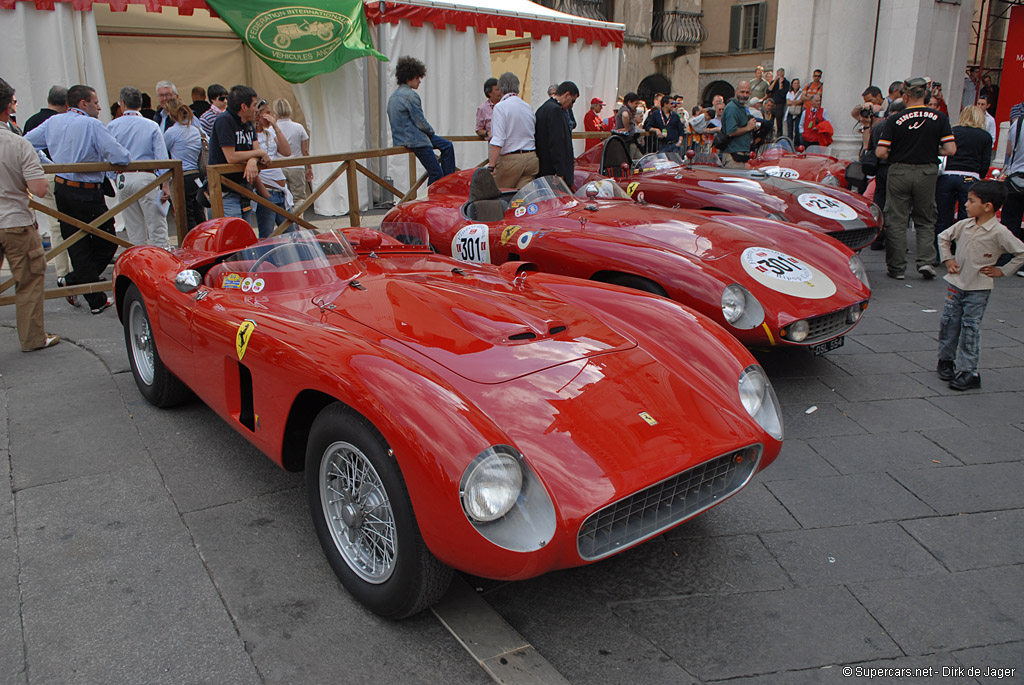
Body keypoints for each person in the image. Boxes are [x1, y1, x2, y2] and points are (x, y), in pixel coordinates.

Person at [25, 84, 129, 313]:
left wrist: (48, 165)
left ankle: (83, 289)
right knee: (107, 239)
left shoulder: (54, 121)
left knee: (77, 242)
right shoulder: (91, 124)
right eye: (95, 102)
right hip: (86, 190)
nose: (100, 107)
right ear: (83, 103)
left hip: (63, 188)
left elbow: (27, 142)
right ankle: (82, 286)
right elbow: (121, 155)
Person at [936, 181, 1024, 390]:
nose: (966, 204)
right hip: (956, 283)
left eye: (971, 201)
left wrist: (1003, 271)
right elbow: (943, 237)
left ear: (988, 206)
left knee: (970, 327)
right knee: (949, 322)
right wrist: (948, 259)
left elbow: (1020, 252)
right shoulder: (965, 224)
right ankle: (945, 360)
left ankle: (969, 371)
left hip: (978, 288)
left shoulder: (999, 231)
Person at [875, 77, 956, 280]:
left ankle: (897, 267)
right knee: (926, 217)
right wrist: (930, 149)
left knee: (896, 219)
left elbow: (881, 152)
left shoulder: (895, 119)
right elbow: (950, 149)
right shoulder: (939, 117)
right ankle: (926, 261)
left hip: (900, 171)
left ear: (906, 95)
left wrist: (899, 153)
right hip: (927, 172)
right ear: (925, 95)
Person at [0, 78, 59, 351]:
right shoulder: (17, 143)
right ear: (7, 108)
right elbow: (38, 186)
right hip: (15, 221)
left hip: (12, 219)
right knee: (29, 281)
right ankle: (33, 338)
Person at [107, 86, 171, 249]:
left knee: (134, 229)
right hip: (147, 176)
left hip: (123, 177)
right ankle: (161, 262)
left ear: (122, 103)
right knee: (157, 227)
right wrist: (165, 184)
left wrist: (114, 177)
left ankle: (138, 264)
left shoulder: (112, 126)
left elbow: (107, 155)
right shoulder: (150, 125)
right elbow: (162, 157)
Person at [23, 85, 71, 281]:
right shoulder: (64, 121)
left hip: (41, 176)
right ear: (67, 103)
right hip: (63, 175)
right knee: (74, 224)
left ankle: (62, 272)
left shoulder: (31, 121)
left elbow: (26, 147)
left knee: (55, 226)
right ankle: (79, 272)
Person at [386, 56, 456, 186]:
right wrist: (431, 132)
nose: (419, 81)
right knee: (436, 172)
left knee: (446, 147)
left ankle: (446, 183)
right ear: (408, 78)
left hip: (402, 138)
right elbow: (420, 121)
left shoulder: (393, 97)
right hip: (417, 140)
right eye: (417, 78)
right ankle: (442, 189)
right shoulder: (411, 95)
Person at [209, 84, 268, 225]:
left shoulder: (249, 124)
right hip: (225, 191)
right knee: (233, 237)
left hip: (244, 190)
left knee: (245, 236)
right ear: (243, 107)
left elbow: (256, 150)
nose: (256, 109)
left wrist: (253, 161)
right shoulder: (225, 120)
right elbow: (231, 157)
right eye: (254, 105)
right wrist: (257, 153)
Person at [935, 106, 991, 241]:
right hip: (970, 176)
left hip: (948, 174)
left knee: (943, 215)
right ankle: (960, 247)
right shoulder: (985, 136)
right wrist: (981, 175)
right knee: (966, 217)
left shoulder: (953, 131)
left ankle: (939, 249)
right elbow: (985, 161)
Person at [487, 72, 537, 190]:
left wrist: (491, 167)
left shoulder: (501, 107)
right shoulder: (527, 106)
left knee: (500, 195)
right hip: (531, 158)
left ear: (501, 88)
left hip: (511, 159)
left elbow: (498, 139)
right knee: (522, 199)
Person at [163, 98, 205, 230]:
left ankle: (190, 243)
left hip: (181, 175)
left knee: (186, 215)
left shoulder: (171, 132)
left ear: (171, 114)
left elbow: (162, 151)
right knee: (199, 212)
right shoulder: (196, 130)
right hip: (197, 175)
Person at [253, 101, 293, 238]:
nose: (271, 115)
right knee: (267, 234)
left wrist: (275, 126)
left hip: (281, 189)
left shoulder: (270, 132)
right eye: (267, 113)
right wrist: (264, 193)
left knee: (291, 232)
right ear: (258, 115)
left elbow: (286, 151)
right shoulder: (253, 135)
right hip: (266, 189)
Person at [535, 81, 578, 189]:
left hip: (544, 169)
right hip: (553, 173)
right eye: (573, 101)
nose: (571, 105)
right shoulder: (555, 111)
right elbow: (557, 143)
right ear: (567, 95)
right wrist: (560, 172)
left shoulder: (543, 108)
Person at [273, 98, 312, 203]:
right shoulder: (299, 127)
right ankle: (299, 218)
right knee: (299, 198)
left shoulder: (272, 129)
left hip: (279, 166)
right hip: (297, 166)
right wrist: (309, 167)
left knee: (283, 197)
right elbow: (305, 151)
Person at [721, 81, 757, 168]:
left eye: (747, 92)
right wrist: (748, 128)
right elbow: (731, 131)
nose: (744, 95)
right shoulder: (732, 108)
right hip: (733, 157)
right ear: (736, 91)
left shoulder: (741, 107)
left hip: (741, 156)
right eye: (742, 91)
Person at [767, 67, 789, 137]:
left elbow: (782, 94)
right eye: (778, 75)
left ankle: (779, 137)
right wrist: (775, 82)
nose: (780, 77)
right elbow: (768, 91)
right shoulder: (774, 82)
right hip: (772, 105)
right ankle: (769, 136)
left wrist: (780, 85)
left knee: (779, 123)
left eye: (781, 75)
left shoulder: (786, 83)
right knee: (769, 122)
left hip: (780, 105)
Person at [786, 78, 803, 144]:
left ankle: (796, 144)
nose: (796, 85)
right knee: (789, 130)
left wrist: (792, 102)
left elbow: (801, 101)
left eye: (797, 83)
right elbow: (788, 103)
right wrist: (796, 102)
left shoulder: (801, 92)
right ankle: (789, 144)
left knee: (797, 129)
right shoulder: (789, 92)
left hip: (798, 113)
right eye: (795, 83)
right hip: (790, 112)